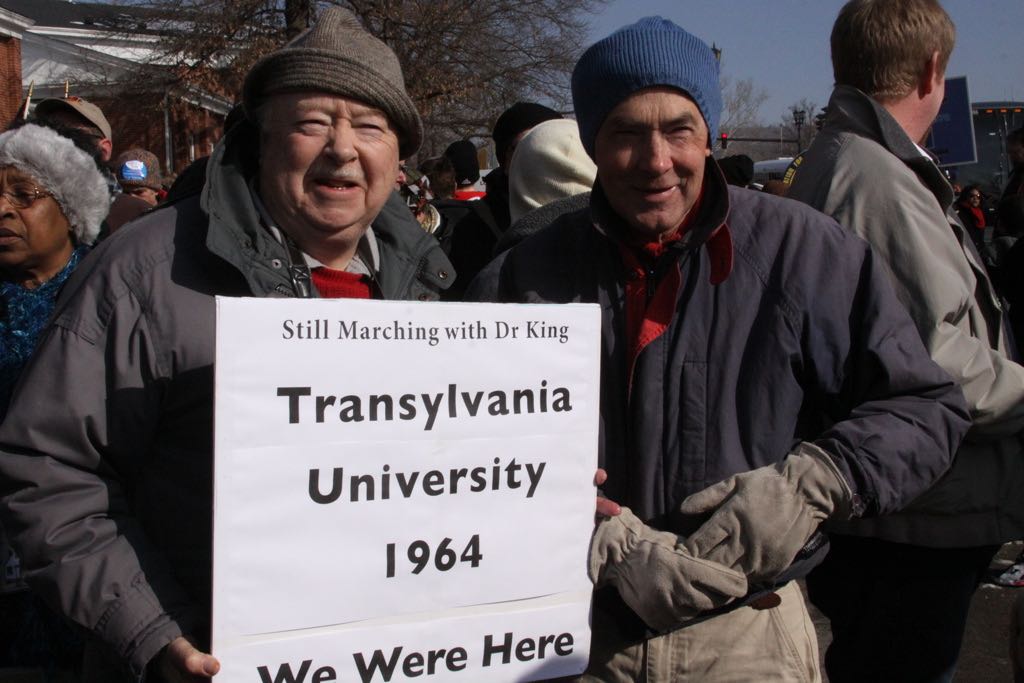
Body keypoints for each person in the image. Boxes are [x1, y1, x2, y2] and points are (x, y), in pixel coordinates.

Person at [470, 16, 969, 681]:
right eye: (625, 132)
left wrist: (814, 483)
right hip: (574, 636)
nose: (656, 160)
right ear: (593, 142)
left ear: (708, 135)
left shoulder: (804, 252)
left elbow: (926, 405)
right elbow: (455, 448)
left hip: (748, 636)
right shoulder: (520, 277)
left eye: (678, 129)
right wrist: (574, 518)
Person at [0, 7, 453, 681]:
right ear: (263, 140)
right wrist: (152, 630)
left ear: (398, 154)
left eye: (369, 126)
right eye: (310, 123)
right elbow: (48, 468)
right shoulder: (146, 271)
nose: (342, 149)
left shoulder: (429, 286)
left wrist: (531, 475)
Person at [784, 2, 1024, 681]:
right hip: (914, 515)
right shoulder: (874, 180)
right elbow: (938, 364)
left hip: (909, 509)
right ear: (933, 71)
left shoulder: (862, 164)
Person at [0, 122, 108, 670]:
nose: (3, 210)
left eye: (24, 194)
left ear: (70, 211)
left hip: (82, 558)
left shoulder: (106, 299)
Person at [955, 184, 989, 252]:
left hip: (978, 250)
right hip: (965, 249)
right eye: (971, 196)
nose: (975, 198)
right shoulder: (960, 213)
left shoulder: (981, 212)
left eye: (978, 196)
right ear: (965, 197)